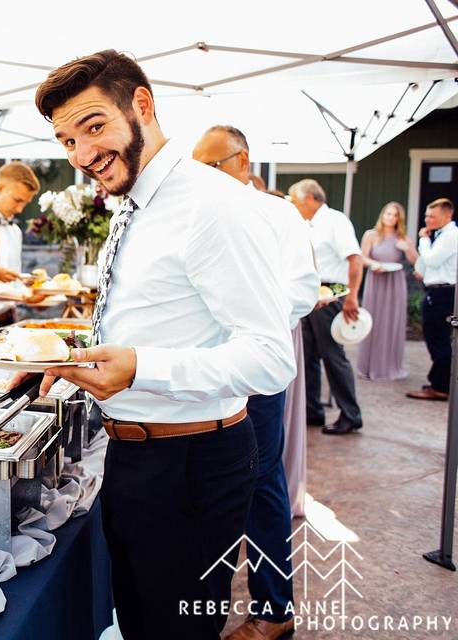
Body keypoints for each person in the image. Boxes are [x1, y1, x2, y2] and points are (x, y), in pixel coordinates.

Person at [32, 50, 295, 639]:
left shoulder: (210, 205)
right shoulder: (137, 199)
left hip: (191, 465)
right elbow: (160, 321)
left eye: (94, 127)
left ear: (142, 105)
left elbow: (272, 357)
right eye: (67, 141)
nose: (82, 155)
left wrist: (140, 367)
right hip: (136, 457)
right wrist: (78, 356)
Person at [193, 125, 318, 640]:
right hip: (199, 373)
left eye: (212, 167)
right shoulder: (196, 214)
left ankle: (274, 610)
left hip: (253, 369)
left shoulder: (277, 214)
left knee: (260, 481)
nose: (201, 178)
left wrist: (246, 321)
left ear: (242, 161)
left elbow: (303, 290)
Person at [291, 179, 365, 435]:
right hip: (311, 295)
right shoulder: (305, 224)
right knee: (308, 356)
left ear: (310, 199)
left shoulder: (335, 221)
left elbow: (355, 259)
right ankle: (312, 410)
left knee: (333, 356)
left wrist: (352, 297)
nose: (294, 205)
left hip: (333, 294)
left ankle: (350, 414)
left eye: (296, 201)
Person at [357, 202, 418, 381]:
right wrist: (374, 264)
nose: (391, 217)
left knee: (392, 322)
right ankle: (369, 366)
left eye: (395, 215)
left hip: (394, 282)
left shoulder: (404, 238)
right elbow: (361, 257)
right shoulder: (371, 235)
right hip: (376, 280)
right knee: (373, 320)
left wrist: (407, 248)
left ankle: (390, 366)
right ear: (383, 215)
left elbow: (415, 260)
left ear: (400, 219)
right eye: (388, 214)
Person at [407, 198, 456, 401]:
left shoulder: (450, 236)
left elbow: (432, 259)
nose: (427, 219)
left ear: (447, 216)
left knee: (439, 339)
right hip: (437, 289)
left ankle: (441, 386)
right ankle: (440, 380)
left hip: (443, 293)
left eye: (432, 216)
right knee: (435, 337)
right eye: (426, 215)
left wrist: (423, 240)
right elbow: (427, 265)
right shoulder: (442, 235)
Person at [0, 161, 41, 324]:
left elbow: (15, 282)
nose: (20, 209)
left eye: (25, 203)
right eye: (17, 200)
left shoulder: (15, 231)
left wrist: (32, 293)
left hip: (10, 316)